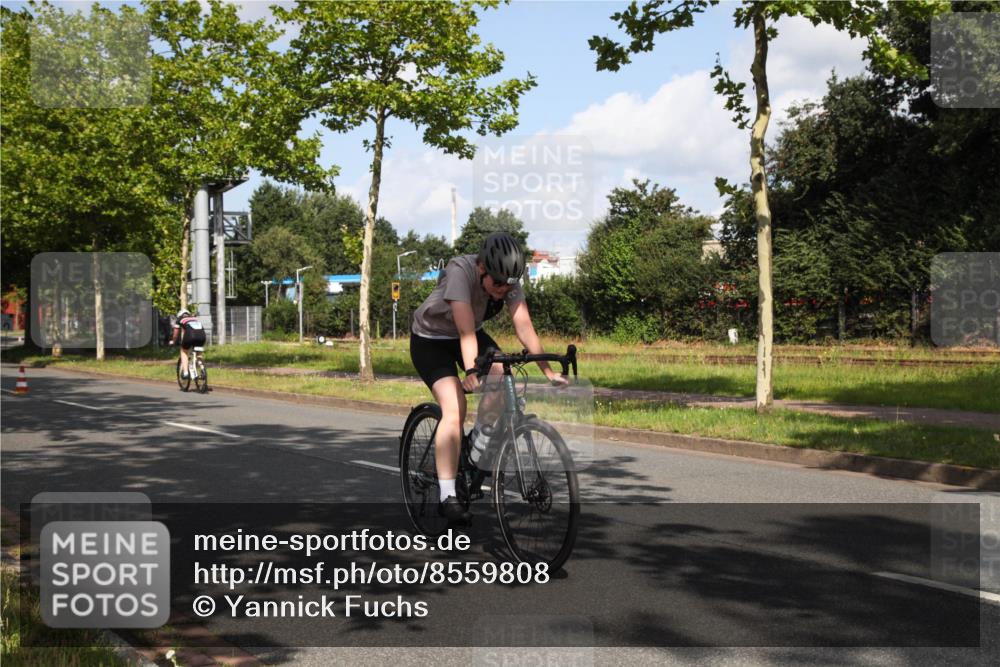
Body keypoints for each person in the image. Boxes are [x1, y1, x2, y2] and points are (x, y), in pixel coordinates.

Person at [409, 232, 568, 523]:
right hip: (431, 340)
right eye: (497, 283)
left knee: (505, 378)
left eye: (509, 285)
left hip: (469, 334)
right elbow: (466, 331)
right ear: (482, 269)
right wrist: (470, 371)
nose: (502, 290)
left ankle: (475, 446)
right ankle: (447, 496)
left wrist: (547, 371)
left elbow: (524, 327)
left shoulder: (507, 281)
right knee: (455, 406)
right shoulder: (460, 271)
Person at [170, 308, 206, 379]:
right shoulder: (194, 319)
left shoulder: (180, 319)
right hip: (202, 336)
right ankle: (201, 367)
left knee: (183, 351)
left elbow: (175, 334)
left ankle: (186, 372)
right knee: (198, 352)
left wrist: (173, 341)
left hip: (191, 335)